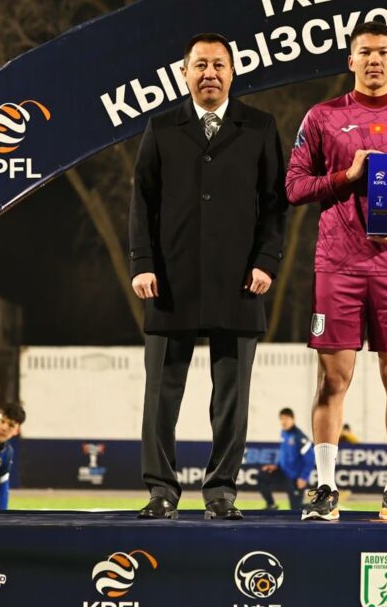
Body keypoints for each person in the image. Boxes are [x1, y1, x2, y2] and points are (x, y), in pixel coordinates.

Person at [285, 21, 387, 522]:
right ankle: (325, 488)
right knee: (333, 379)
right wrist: (347, 176)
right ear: (350, 60)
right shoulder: (322, 117)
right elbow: (294, 187)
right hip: (338, 264)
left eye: (382, 52)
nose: (374, 60)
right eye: (365, 52)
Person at [129, 32, 287, 521]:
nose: (210, 73)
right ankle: (161, 490)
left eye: (219, 64)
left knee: (232, 398)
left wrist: (266, 260)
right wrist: (142, 263)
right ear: (185, 74)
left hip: (241, 281)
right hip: (169, 280)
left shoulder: (259, 126)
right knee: (160, 395)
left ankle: (221, 491)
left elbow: (275, 203)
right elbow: (142, 201)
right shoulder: (161, 127)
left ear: (233, 72)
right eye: (200, 65)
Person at [257, 408, 315, 511]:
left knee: (296, 510)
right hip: (282, 473)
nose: (284, 421)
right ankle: (271, 505)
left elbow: (310, 458)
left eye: (286, 418)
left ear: (293, 419)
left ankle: (316, 507)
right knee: (262, 476)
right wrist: (276, 465)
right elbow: (284, 453)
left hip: (294, 478)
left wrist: (304, 477)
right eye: (281, 419)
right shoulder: (284, 433)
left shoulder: (299, 437)